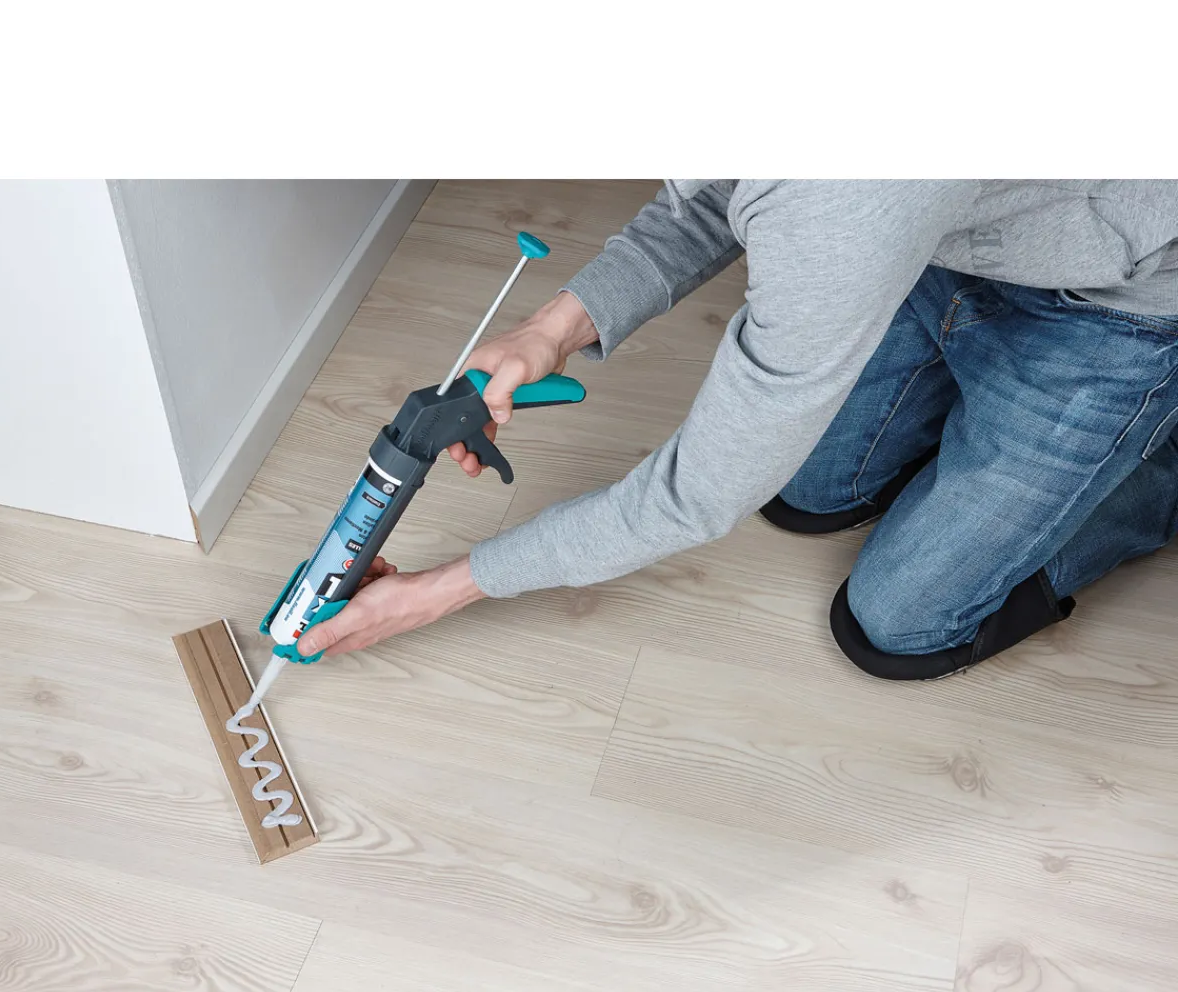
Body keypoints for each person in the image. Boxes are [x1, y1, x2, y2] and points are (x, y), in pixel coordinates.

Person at [298, 181, 1178, 680]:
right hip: (955, 247)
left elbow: (693, 497)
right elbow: (706, 202)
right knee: (808, 495)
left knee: (898, 627)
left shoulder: (847, 197)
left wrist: (442, 590)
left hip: (1118, 310)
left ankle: (1147, 449)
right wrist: (550, 330)